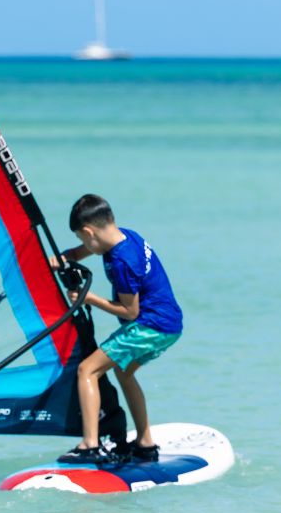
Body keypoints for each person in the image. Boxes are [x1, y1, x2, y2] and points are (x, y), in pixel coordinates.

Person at [52, 194, 185, 464]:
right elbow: (82, 252)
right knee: (124, 372)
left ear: (89, 231)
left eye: (81, 238)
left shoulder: (123, 261)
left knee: (86, 370)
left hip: (150, 325)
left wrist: (88, 299)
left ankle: (90, 444)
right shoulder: (123, 236)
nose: (82, 244)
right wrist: (61, 259)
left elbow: (130, 311)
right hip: (170, 324)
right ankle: (145, 443)